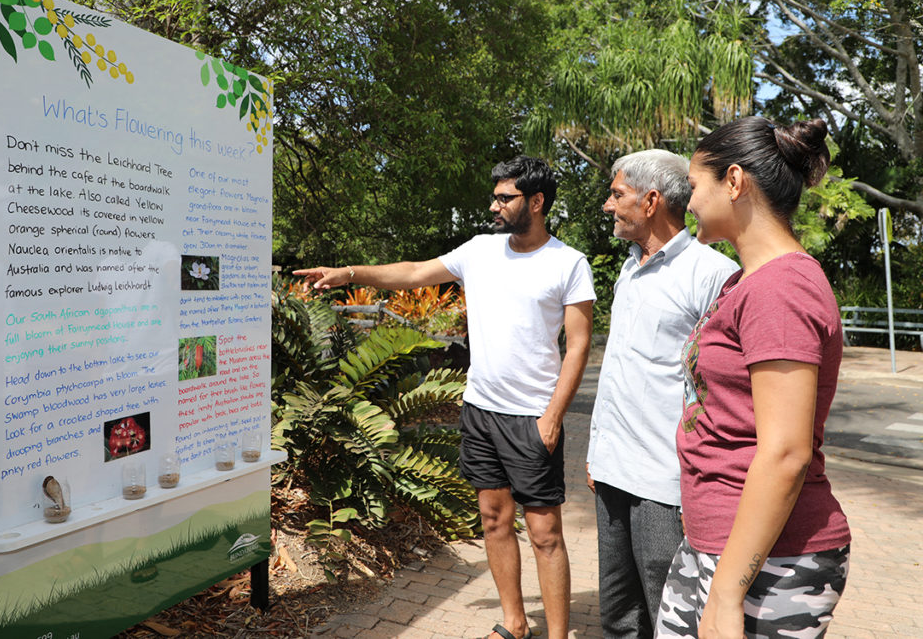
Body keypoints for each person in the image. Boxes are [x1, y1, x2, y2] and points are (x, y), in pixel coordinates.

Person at [296, 155, 596, 639]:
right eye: (494, 196)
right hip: (481, 411)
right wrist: (349, 273)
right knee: (494, 520)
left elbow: (579, 344)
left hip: (532, 417)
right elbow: (414, 272)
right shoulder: (479, 250)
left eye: (505, 197)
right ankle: (515, 623)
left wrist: (554, 417)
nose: (494, 205)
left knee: (545, 535)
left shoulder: (569, 263)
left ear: (536, 202)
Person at [656, 117, 852, 638]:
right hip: (721, 545)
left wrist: (725, 594)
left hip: (772, 562)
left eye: (696, 184)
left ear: (735, 182)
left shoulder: (779, 289)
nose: (688, 200)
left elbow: (786, 453)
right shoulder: (750, 281)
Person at [586, 150, 738, 638]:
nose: (608, 206)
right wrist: (596, 449)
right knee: (617, 617)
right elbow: (619, 371)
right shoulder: (628, 270)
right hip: (611, 472)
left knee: (668, 617)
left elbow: (716, 387)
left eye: (617, 194)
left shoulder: (711, 274)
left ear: (651, 201)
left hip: (664, 482)